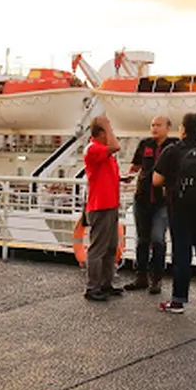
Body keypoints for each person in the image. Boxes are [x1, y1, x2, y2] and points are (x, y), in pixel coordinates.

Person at [152, 112, 196, 313]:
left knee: (181, 254)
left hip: (180, 211)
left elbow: (156, 181)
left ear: (183, 129)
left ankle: (178, 300)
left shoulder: (172, 151)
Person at [123, 115, 177, 294]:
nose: (154, 128)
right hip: (142, 199)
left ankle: (157, 279)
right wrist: (126, 176)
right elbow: (136, 166)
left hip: (163, 202)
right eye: (152, 125)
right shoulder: (144, 144)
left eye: (158, 125)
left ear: (168, 128)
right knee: (142, 240)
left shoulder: (174, 146)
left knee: (158, 239)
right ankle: (141, 277)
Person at [82, 114, 123, 302]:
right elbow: (116, 146)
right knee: (98, 248)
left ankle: (106, 283)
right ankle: (93, 287)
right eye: (107, 132)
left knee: (110, 246)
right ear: (100, 133)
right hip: (101, 205)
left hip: (110, 203)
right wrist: (107, 125)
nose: (111, 135)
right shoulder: (94, 149)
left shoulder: (100, 150)